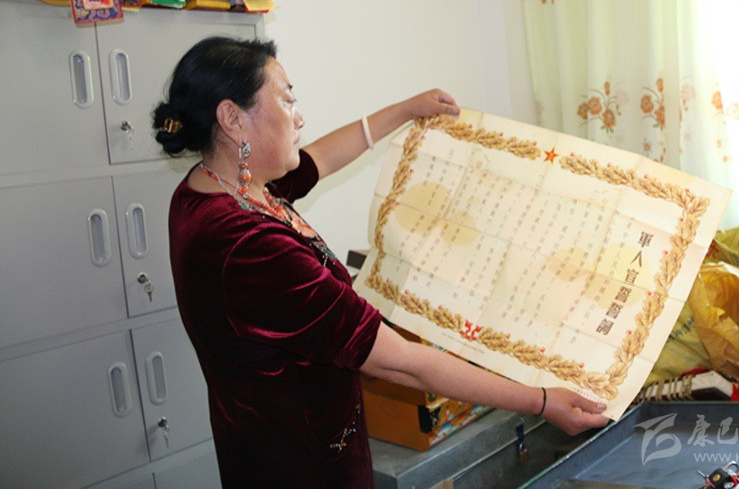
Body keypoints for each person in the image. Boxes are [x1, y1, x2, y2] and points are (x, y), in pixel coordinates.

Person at [152, 36, 608, 488]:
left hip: (280, 442)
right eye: (287, 100)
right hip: (301, 466)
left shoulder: (217, 189)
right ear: (233, 118)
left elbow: (319, 159)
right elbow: (400, 361)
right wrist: (541, 401)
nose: (299, 117)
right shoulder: (247, 245)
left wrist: (406, 110)